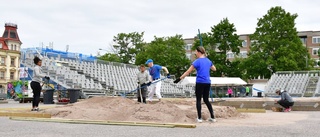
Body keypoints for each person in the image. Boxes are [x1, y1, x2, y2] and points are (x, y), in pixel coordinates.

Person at [173, 46, 217, 123]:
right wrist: (207, 65)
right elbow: (214, 69)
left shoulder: (197, 61)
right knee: (206, 100)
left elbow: (188, 72)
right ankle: (213, 117)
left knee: (198, 99)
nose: (195, 53)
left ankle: (199, 118)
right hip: (207, 82)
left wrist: (179, 79)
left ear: (199, 52)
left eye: (196, 52)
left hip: (200, 82)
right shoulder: (208, 61)